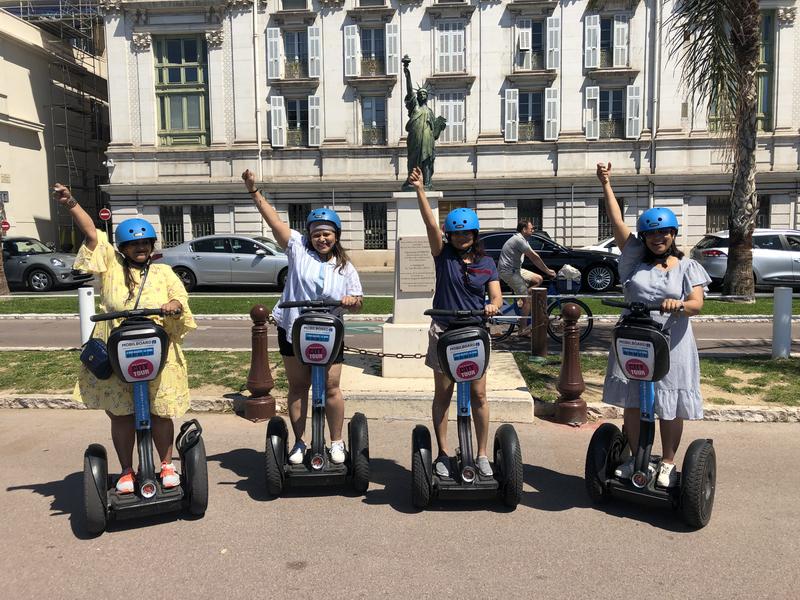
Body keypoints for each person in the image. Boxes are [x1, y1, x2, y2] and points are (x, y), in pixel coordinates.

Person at [57, 183, 196, 494]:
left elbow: (180, 300)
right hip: (118, 352)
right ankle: (126, 470)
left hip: (156, 353)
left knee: (160, 412)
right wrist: (71, 203)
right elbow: (93, 235)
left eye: (145, 243)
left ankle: (166, 463)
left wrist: (173, 306)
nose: (141, 249)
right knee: (122, 414)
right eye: (134, 245)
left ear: (152, 245)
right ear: (123, 248)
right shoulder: (110, 268)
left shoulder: (164, 274)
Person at [597, 162, 710, 488]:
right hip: (634, 339)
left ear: (673, 234)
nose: (658, 238)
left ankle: (669, 462)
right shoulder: (633, 258)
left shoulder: (687, 265)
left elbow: (697, 303)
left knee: (669, 404)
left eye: (664, 232)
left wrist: (681, 305)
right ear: (644, 237)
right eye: (651, 233)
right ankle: (635, 455)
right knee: (634, 401)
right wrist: (606, 183)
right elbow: (617, 221)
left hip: (671, 343)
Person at [242, 169, 363, 465]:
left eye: (327, 233)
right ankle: (299, 442)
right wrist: (254, 191)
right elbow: (274, 221)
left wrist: (350, 301)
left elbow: (358, 301)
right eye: (317, 233)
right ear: (309, 234)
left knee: (332, 387)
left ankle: (336, 441)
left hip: (330, 332)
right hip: (294, 328)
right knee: (298, 386)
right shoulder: (297, 248)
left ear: (336, 237)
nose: (322, 238)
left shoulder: (344, 267)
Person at [409, 166, 503, 478]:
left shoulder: (487, 263)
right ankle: (444, 453)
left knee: (478, 395)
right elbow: (429, 223)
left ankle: (482, 453)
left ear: (475, 235)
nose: (462, 237)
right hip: (444, 331)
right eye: (457, 233)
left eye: (467, 233)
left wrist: (493, 306)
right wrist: (421, 190)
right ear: (450, 235)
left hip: (475, 332)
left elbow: (498, 297)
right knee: (443, 394)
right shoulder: (443, 256)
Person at [497, 219, 556, 337]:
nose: (533, 230)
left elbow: (534, 255)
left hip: (516, 270)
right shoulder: (518, 240)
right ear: (524, 229)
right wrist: (548, 271)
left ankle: (521, 299)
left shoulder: (523, 240)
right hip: (509, 272)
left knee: (538, 279)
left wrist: (545, 271)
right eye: (531, 228)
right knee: (528, 300)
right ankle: (522, 329)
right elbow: (534, 257)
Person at [403, 57, 446, 189]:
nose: (422, 95)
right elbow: (410, 91)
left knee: (427, 160)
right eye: (420, 93)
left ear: (427, 96)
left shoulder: (430, 112)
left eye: (424, 94)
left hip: (427, 140)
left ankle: (427, 182)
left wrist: (440, 126)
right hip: (415, 138)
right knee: (413, 160)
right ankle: (412, 181)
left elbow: (435, 134)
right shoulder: (414, 107)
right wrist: (407, 74)